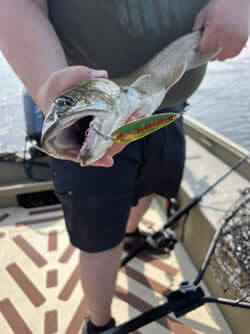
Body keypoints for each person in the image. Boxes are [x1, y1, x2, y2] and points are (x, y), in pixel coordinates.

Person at [0, 1, 249, 333]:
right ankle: (100, 324)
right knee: (98, 237)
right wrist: (51, 88)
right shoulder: (80, 127)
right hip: (87, 111)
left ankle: (131, 235)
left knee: (151, 184)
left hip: (167, 106)